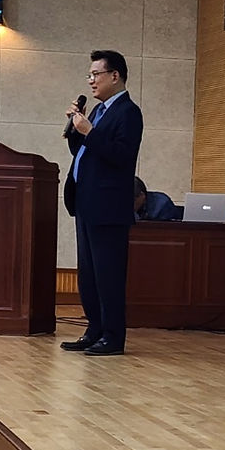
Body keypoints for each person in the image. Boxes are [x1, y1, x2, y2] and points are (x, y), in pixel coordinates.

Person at [60, 50, 143, 356]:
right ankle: (94, 330)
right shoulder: (98, 111)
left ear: (115, 76)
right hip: (86, 202)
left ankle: (113, 337)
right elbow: (84, 152)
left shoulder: (128, 112)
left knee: (108, 275)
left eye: (96, 74)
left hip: (108, 207)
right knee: (89, 275)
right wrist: (76, 129)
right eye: (90, 75)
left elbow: (121, 156)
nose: (91, 81)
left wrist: (90, 132)